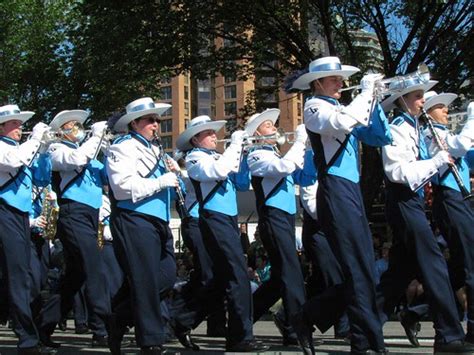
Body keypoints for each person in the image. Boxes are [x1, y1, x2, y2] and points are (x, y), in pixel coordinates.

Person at [291, 56, 392, 354]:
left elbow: (378, 135)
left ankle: (307, 317)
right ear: (317, 83)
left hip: (351, 190)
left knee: (364, 271)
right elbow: (343, 122)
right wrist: (363, 94)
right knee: (357, 269)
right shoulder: (314, 107)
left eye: (341, 78)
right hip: (334, 189)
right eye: (334, 79)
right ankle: (367, 341)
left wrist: (374, 100)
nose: (341, 83)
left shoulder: (342, 106)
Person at [379, 77, 474, 353]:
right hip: (403, 199)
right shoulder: (397, 128)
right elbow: (397, 172)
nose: (424, 100)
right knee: (434, 264)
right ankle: (448, 335)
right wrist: (436, 161)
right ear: (403, 100)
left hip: (415, 201)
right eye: (419, 96)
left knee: (398, 274)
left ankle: (353, 320)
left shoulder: (415, 128)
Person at [172, 115, 268, 352]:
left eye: (214, 132)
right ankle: (240, 337)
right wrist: (235, 146)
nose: (215, 136)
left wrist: (245, 154)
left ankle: (179, 320)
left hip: (228, 218)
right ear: (195, 139)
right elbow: (217, 171)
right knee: (237, 277)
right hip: (213, 218)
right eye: (208, 133)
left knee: (221, 281)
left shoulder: (217, 156)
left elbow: (241, 182)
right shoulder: (194, 158)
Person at [106, 97, 177, 354]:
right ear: (134, 123)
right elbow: (122, 188)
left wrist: (172, 175)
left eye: (157, 120)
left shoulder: (154, 149)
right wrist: (161, 182)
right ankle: (150, 341)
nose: (156, 124)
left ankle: (118, 318)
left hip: (158, 219)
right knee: (146, 280)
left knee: (167, 276)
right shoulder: (122, 146)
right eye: (150, 120)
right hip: (134, 217)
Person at [401, 94, 474, 346]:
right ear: (429, 111)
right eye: (440, 106)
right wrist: (472, 118)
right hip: (450, 198)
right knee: (470, 264)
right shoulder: (430, 134)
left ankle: (416, 311)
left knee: (457, 269)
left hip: (459, 198)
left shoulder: (441, 130)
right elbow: (458, 146)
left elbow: (467, 153)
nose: (446, 110)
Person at [37, 109, 111, 348]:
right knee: (94, 267)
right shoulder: (57, 150)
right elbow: (77, 160)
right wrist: (95, 137)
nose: (77, 129)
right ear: (61, 131)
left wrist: (108, 148)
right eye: (71, 126)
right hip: (72, 213)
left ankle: (44, 325)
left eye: (79, 125)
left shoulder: (89, 152)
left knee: (75, 277)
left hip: (91, 214)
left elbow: (108, 175)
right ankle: (103, 328)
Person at [244, 109, 313, 344]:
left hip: (285, 218)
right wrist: (301, 141)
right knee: (291, 271)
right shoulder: (255, 155)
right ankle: (296, 328)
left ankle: (244, 318)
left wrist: (309, 149)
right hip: (272, 217)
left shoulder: (275, 153)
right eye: (267, 126)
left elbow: (302, 175)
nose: (274, 128)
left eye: (273, 125)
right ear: (256, 134)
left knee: (280, 277)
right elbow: (283, 168)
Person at [0, 104, 53, 354]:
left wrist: (43, 149)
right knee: (17, 276)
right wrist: (34, 139)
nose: (21, 128)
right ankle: (27, 339)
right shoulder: (5, 148)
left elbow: (42, 177)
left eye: (21, 124)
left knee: (21, 276)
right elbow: (15, 161)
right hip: (4, 212)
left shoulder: (22, 148)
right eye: (15, 124)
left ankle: (26, 334)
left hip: (20, 215)